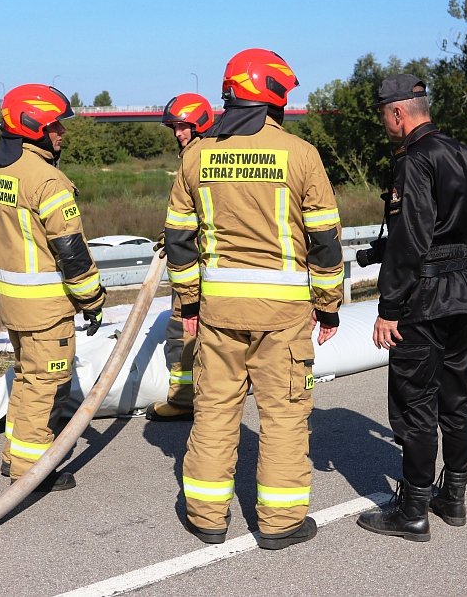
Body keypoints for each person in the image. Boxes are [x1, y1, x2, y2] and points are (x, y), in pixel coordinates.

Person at [164, 48, 344, 550]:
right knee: (284, 415)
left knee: (215, 409)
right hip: (283, 316)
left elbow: (178, 238)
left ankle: (205, 515)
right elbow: (325, 240)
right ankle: (281, 523)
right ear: (274, 97)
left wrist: (189, 305)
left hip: (218, 312)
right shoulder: (300, 154)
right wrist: (328, 304)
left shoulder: (197, 154)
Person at [355, 74, 467, 542]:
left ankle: (411, 510)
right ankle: (452, 496)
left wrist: (389, 306)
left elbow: (410, 239)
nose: (385, 124)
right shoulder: (465, 154)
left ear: (398, 112)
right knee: (456, 400)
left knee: (414, 407)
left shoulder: (413, 160)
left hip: (423, 300)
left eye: (384, 116)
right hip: (463, 293)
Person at [0, 83, 106, 492]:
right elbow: (71, 252)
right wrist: (92, 298)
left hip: (13, 302)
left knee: (26, 377)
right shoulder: (49, 181)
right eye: (56, 126)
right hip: (45, 307)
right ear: (34, 126)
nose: (62, 134)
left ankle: (14, 455)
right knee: (47, 384)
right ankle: (30, 472)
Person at [146, 92, 214, 422]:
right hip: (207, 261)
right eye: (174, 127)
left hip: (194, 265)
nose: (178, 133)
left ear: (200, 125)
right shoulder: (215, 153)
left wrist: (175, 239)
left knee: (182, 331)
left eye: (183, 127)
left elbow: (188, 218)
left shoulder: (194, 158)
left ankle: (185, 399)